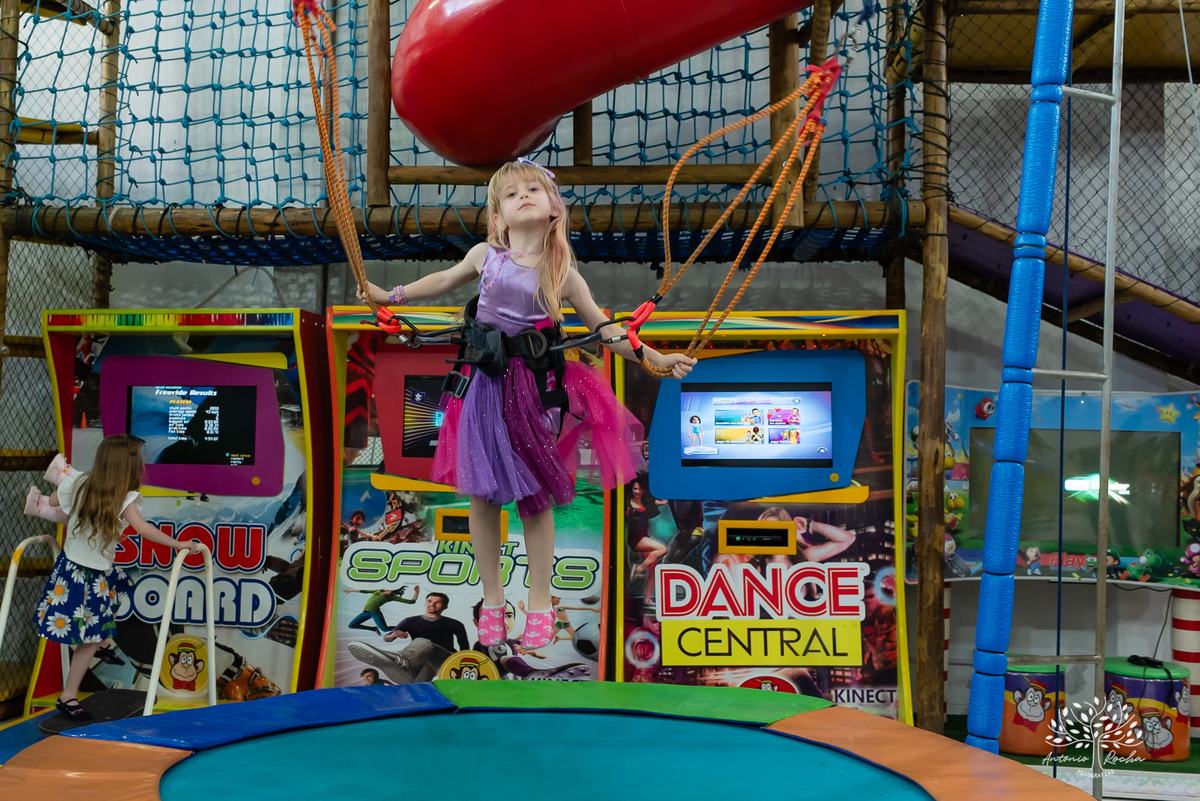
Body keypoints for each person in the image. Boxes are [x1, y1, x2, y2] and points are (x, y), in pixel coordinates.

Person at [358, 159, 694, 649]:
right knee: (482, 493)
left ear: (554, 206)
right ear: (499, 218)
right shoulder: (485, 256)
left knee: (535, 497)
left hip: (531, 390)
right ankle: (492, 600)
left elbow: (608, 330)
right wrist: (392, 295)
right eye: (512, 195)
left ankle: (539, 601)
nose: (524, 197)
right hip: (481, 385)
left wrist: (655, 357)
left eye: (534, 189)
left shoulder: (563, 273)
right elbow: (444, 279)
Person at [31, 435, 200, 721]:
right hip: (88, 574)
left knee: (117, 598)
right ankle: (68, 695)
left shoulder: (81, 482)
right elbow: (144, 529)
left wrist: (61, 488)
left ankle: (104, 645)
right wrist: (178, 544)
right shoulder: (123, 497)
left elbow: (55, 500)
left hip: (77, 569)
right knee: (90, 636)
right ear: (129, 467)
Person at [347, 592, 469, 684]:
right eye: (430, 601)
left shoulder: (454, 624)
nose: (432, 604)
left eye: (438, 602)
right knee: (414, 687)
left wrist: (464, 669)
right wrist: (393, 635)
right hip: (423, 661)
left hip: (445, 660)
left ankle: (401, 661)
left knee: (423, 642)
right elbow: (387, 638)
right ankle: (406, 670)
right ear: (425, 603)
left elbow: (465, 648)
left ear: (445, 606)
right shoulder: (410, 621)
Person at [343, 585, 420, 635]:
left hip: (375, 613)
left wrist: (417, 592)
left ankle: (407, 628)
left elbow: (411, 602)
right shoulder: (380, 590)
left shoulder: (392, 596)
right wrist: (350, 590)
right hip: (365, 612)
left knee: (384, 629)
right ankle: (373, 628)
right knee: (352, 625)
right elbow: (365, 591)